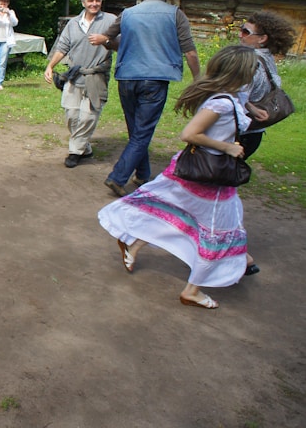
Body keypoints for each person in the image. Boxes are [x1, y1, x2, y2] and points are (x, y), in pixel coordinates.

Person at [98, 45, 256, 309]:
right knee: (217, 230)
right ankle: (193, 289)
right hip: (208, 175)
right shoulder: (221, 102)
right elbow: (190, 133)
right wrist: (228, 147)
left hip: (206, 175)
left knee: (179, 214)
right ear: (241, 72)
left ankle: (134, 246)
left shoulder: (228, 97)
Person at [91, 0, 201, 196]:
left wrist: (108, 42)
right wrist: (198, 79)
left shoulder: (129, 13)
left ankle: (142, 174)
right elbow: (190, 52)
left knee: (136, 130)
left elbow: (109, 39)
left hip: (128, 78)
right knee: (142, 132)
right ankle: (117, 177)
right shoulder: (175, 14)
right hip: (155, 79)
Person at [44, 0, 116, 168]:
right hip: (74, 76)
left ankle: (75, 152)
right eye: (91, 0)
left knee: (88, 117)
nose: (94, 4)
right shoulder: (73, 24)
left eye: (98, 0)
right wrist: (50, 66)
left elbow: (121, 44)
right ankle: (85, 148)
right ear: (83, 2)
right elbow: (62, 48)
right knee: (71, 115)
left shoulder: (110, 21)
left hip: (96, 77)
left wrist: (105, 40)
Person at [236, 11, 296, 160]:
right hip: (254, 132)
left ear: (262, 38)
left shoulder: (251, 62)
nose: (240, 35)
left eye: (246, 32)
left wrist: (251, 107)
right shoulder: (267, 58)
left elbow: (237, 95)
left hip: (237, 132)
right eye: (241, 29)